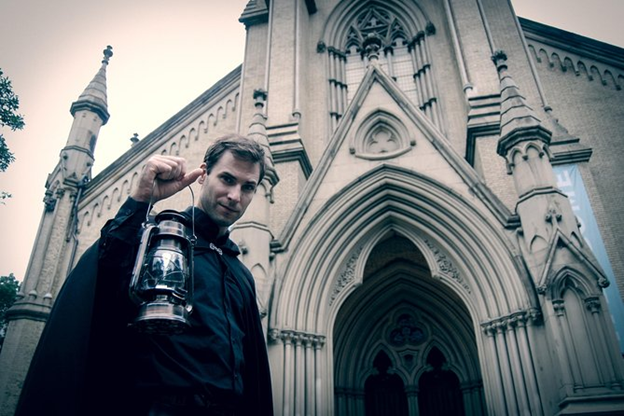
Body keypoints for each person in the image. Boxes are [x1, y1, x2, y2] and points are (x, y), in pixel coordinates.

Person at [15, 134, 274, 416]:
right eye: (227, 179)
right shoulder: (158, 241)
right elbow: (103, 272)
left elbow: (252, 372)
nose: (235, 196)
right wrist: (140, 200)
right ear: (203, 175)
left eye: (248, 187)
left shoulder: (241, 275)